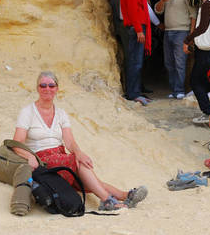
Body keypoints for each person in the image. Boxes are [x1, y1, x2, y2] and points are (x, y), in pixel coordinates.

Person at [12, 72, 148, 211]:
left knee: (83, 167)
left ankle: (124, 195)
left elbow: (70, 142)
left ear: (57, 88)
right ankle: (107, 200)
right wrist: (29, 157)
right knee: (77, 162)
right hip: (41, 160)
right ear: (37, 88)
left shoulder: (61, 113)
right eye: (43, 85)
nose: (47, 89)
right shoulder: (28, 112)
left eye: (51, 85)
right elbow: (17, 143)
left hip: (60, 157)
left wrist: (79, 153)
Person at [154, 0, 196, 99]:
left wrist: (191, 35)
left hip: (181, 32)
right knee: (169, 63)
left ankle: (179, 90)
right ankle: (174, 90)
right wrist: (163, 0)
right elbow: (157, 10)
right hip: (168, 32)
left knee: (180, 62)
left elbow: (193, 15)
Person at [120, 0, 152, 105]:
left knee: (136, 61)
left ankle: (136, 92)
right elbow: (133, 8)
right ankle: (133, 94)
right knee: (135, 61)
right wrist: (139, 30)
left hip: (136, 26)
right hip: (136, 27)